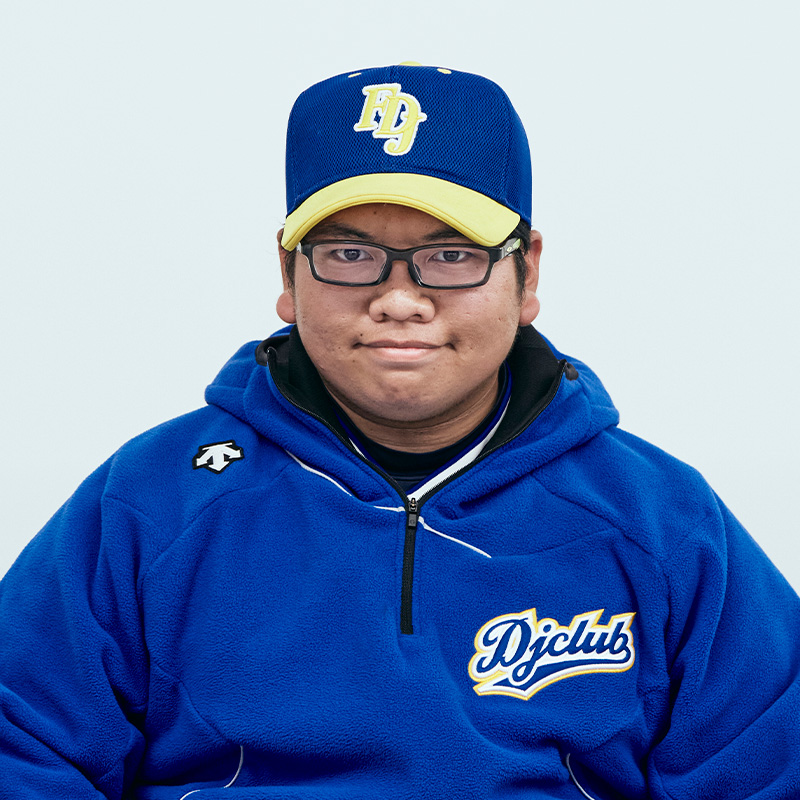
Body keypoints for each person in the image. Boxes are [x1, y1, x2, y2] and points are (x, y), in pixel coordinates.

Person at [1, 62, 798, 800]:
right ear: (287, 274)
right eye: (350, 253)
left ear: (527, 272)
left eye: (450, 255)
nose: (399, 299)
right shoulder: (152, 502)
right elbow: (22, 746)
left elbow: (770, 767)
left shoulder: (660, 521)